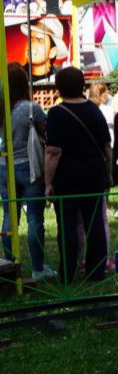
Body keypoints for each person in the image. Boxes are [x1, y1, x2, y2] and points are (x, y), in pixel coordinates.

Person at [44, 67, 112, 281]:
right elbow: (107, 147)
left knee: (68, 227)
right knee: (96, 225)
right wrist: (109, 174)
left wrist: (48, 182)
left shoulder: (56, 114)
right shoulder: (94, 110)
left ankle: (68, 272)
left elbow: (53, 151)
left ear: (59, 88)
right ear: (82, 86)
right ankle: (96, 271)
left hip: (67, 178)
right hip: (93, 174)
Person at [0, 63, 53, 280]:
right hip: (30, 167)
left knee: (9, 220)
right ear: (24, 83)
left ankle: (10, 266)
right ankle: (38, 268)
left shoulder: (1, 108)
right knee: (34, 219)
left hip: (4, 167)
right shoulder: (32, 109)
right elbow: (46, 135)